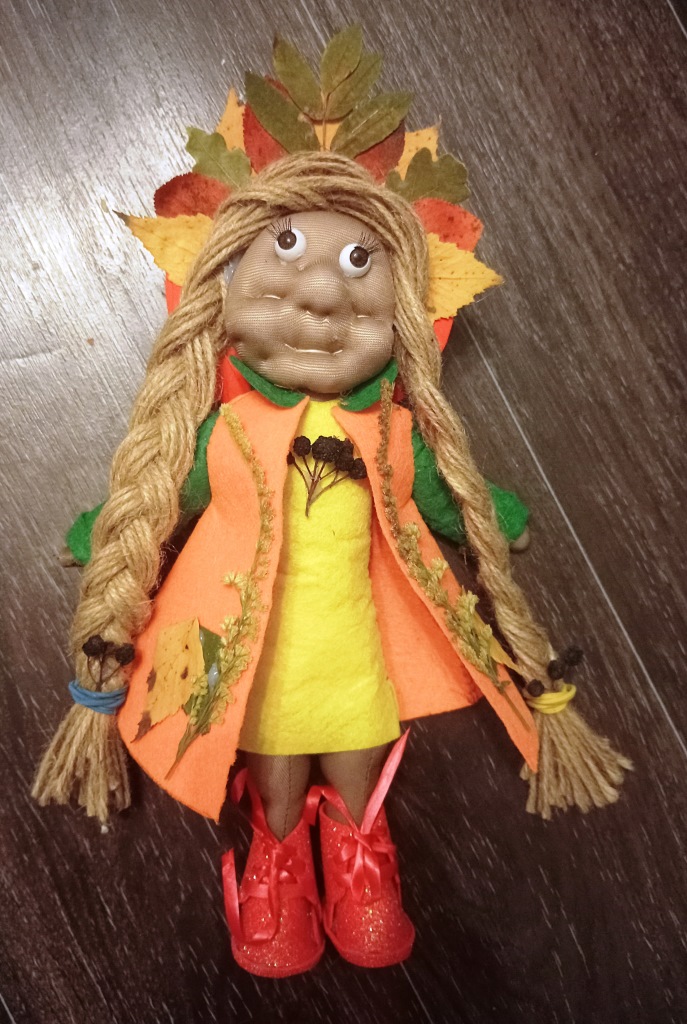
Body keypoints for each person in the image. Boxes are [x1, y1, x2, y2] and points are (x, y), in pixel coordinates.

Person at [33, 151, 629, 977]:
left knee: (354, 726)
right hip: (251, 645)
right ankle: (276, 851)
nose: (318, 296)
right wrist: (104, 532)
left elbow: (445, 492)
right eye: (283, 252)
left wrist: (494, 516)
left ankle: (357, 846)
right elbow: (165, 494)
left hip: (353, 646)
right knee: (271, 736)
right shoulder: (226, 431)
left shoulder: (392, 433)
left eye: (357, 262)